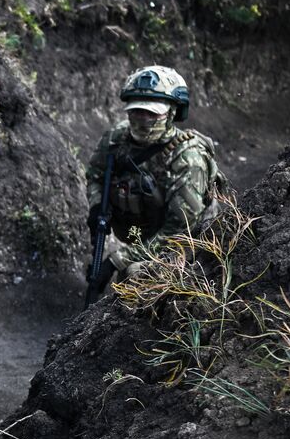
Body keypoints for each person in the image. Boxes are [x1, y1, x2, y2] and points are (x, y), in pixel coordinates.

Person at [84, 65, 225, 288]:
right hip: (145, 232)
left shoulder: (189, 158)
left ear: (172, 112)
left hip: (190, 242)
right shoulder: (116, 139)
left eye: (151, 113)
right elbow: (95, 175)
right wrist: (96, 209)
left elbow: (179, 232)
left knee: (134, 275)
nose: (142, 119)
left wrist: (116, 261)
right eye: (136, 111)